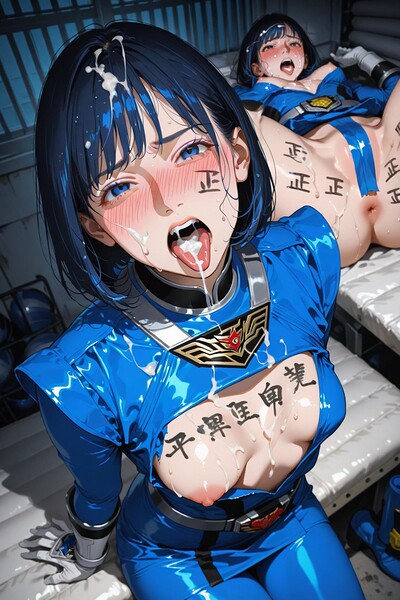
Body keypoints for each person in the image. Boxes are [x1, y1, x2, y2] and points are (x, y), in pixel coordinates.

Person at [16, 22, 365, 599]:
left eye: (190, 150)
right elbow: (98, 497)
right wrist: (84, 554)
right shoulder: (87, 371)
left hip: (294, 517)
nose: (168, 198)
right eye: (119, 186)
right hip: (176, 556)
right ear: (93, 226)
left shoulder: (304, 258)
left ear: (237, 155)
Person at [234, 13, 400, 264]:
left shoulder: (339, 83)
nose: (285, 50)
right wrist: (263, 88)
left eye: (294, 43)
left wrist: (363, 58)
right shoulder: (258, 97)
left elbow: (392, 91)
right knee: (248, 125)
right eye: (270, 47)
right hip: (331, 201)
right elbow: (236, 121)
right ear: (256, 67)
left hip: (390, 174)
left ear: (306, 56)